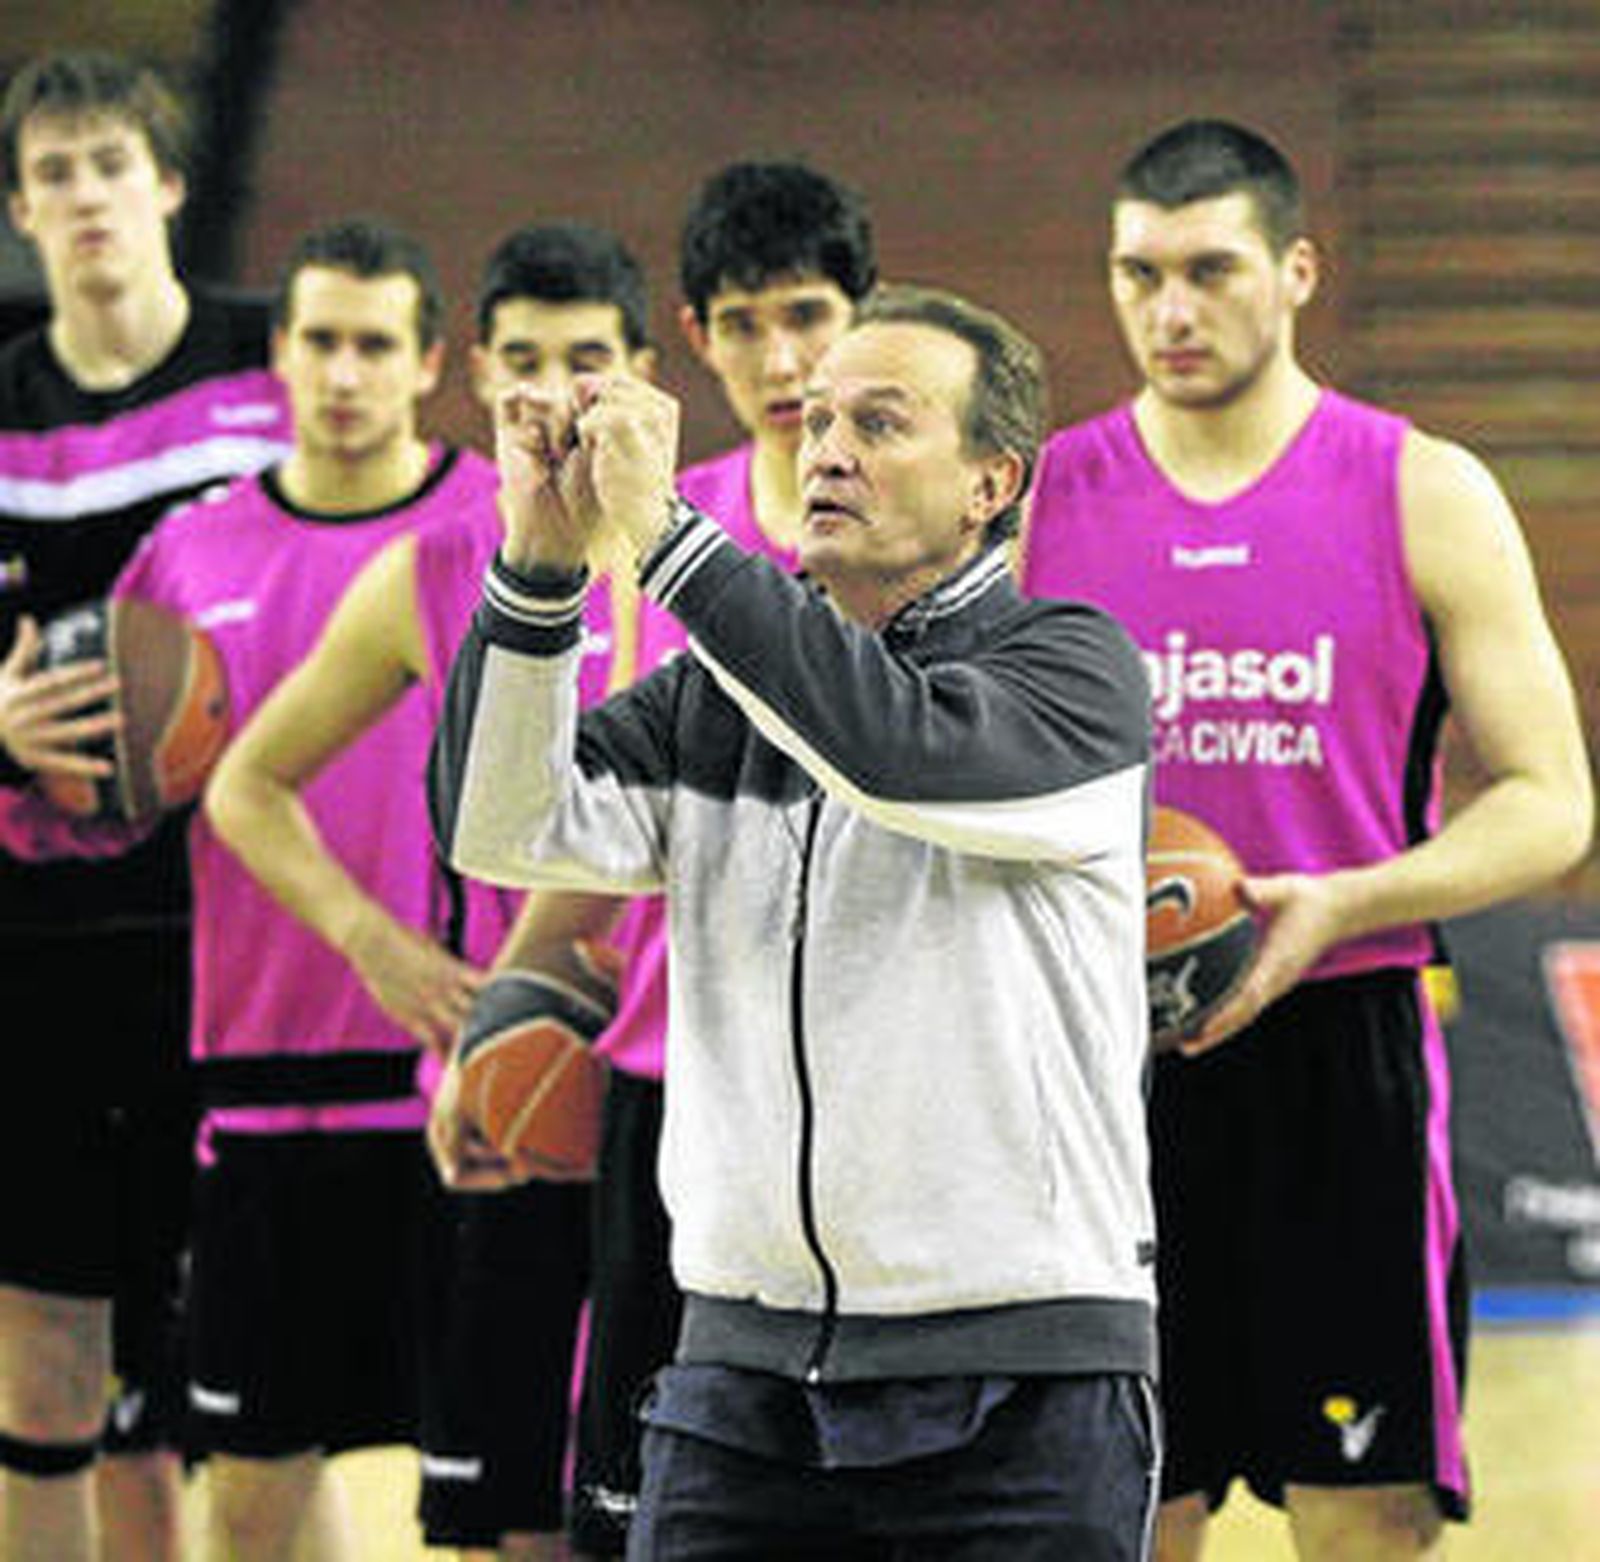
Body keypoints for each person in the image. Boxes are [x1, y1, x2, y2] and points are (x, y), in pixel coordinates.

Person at [429, 282, 1161, 1560]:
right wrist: (540, 566)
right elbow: (503, 828)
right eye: (818, 419)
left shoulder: (1072, 671)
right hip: (737, 1379)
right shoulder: (709, 702)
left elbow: (889, 751)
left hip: (1022, 1385)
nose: (826, 448)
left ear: (992, 481)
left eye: (880, 424)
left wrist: (658, 533)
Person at [1020, 119, 1594, 1561]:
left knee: (1366, 1507)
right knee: (1118, 1510)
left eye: (1209, 270)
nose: (1171, 309)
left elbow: (1550, 800)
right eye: (1137, 273)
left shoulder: (1422, 489)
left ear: (1295, 271)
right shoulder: (1039, 507)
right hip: (1100, 1062)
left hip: (1344, 1051)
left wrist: (1348, 898)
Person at [0, 214, 493, 1560]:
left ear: (429, 361)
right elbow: (99, 808)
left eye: (375, 345)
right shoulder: (188, 553)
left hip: (467, 1068)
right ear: (277, 355)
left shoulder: (498, 528)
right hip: (259, 1079)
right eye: (319, 341)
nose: (343, 374)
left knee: (503, 1503)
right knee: (255, 1493)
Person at [206, 219, 658, 1562]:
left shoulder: (726, 553)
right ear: (478, 376)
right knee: (503, 1520)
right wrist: (377, 944)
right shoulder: (434, 572)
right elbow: (247, 785)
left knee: (668, 1519)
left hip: (695, 1104)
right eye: (527, 362)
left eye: (590, 360)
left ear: (642, 369)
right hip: (516, 1087)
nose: (563, 393)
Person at [559, 157, 879, 1559]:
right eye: (742, 323)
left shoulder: (907, 512)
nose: (781, 356)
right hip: (668, 1066)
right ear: (691, 335)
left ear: (861, 313)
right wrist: (511, 993)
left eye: (807, 314)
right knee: (640, 1511)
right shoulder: (640, 515)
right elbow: (606, 807)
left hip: (863, 1072)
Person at [0, 49, 290, 1562]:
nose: (87, 198)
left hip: (242, 932)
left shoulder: (274, 369)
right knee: (52, 1364)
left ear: (169, 182)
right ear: (21, 210)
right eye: (55, 174)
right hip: (40, 941)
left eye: (111, 163)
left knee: (230, 1376)